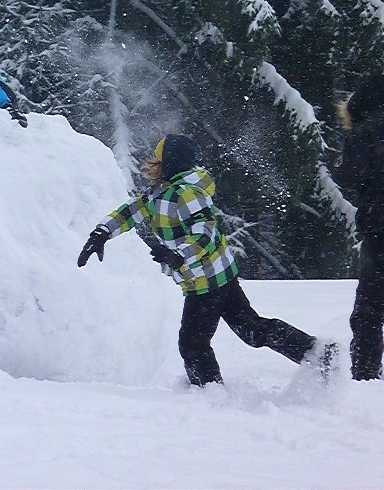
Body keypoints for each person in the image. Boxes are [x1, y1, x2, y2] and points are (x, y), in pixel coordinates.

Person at [77, 134, 337, 386]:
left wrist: (179, 255)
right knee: (251, 330)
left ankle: (209, 394)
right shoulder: (160, 194)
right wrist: (102, 232)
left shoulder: (187, 193)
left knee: (192, 343)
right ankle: (316, 352)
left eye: (156, 158)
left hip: (206, 280)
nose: (151, 162)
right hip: (215, 275)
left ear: (171, 163)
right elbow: (130, 211)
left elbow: (204, 231)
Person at [335, 72, 384, 381]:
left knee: (369, 311)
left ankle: (365, 376)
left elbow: (349, 179)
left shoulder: (362, 135)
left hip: (379, 233)